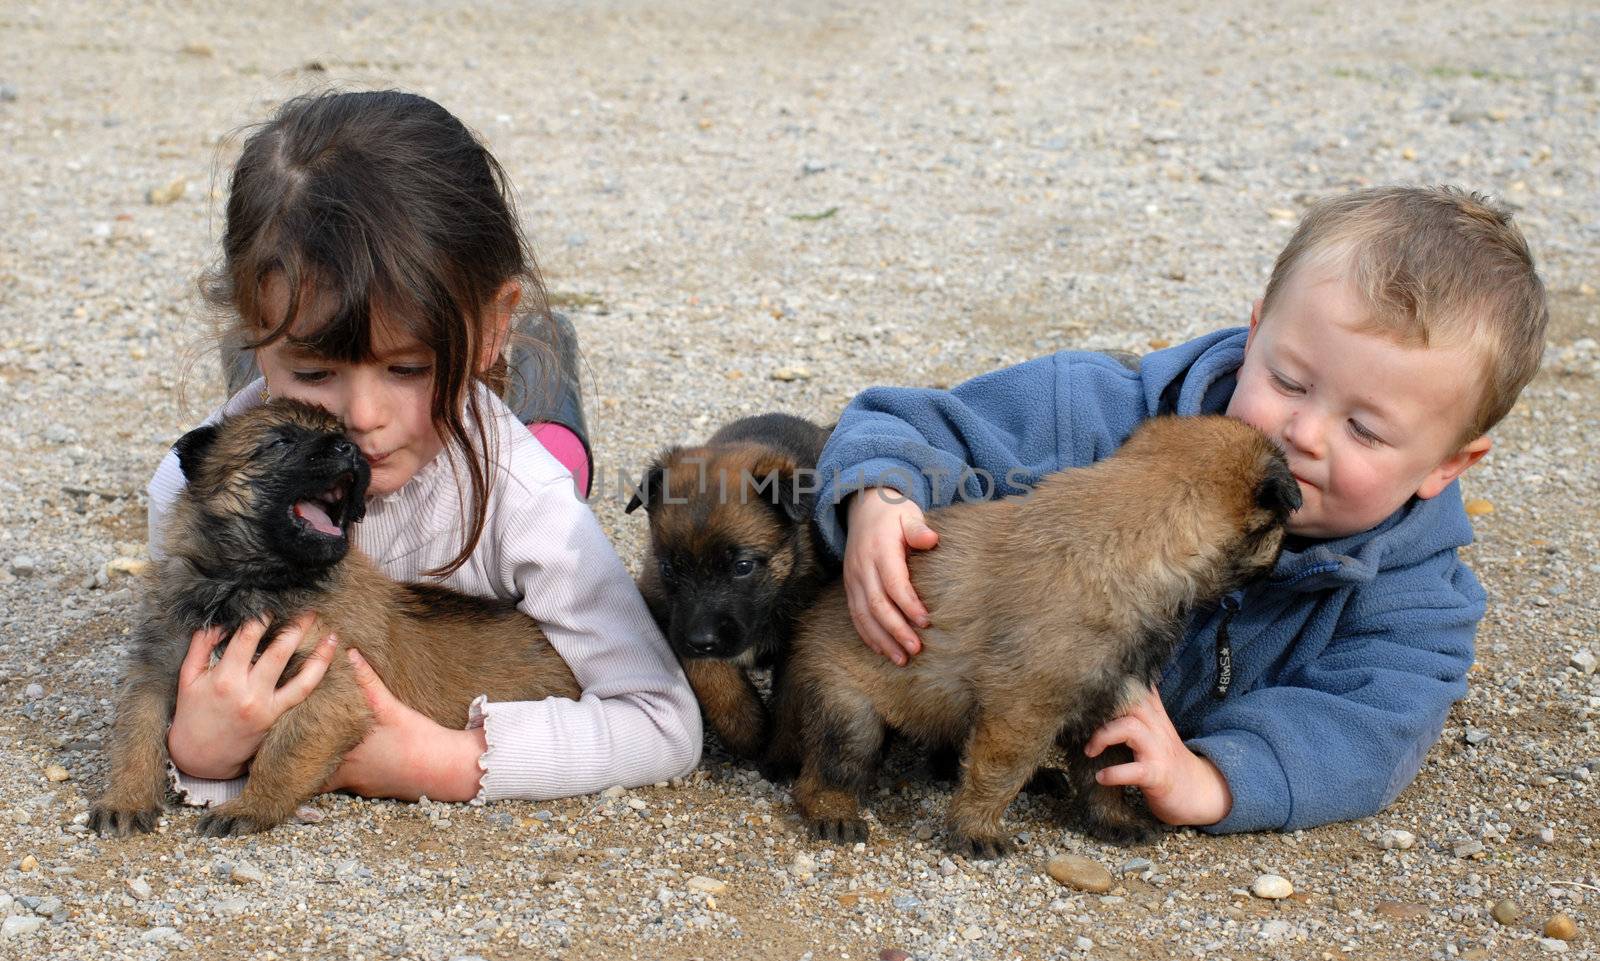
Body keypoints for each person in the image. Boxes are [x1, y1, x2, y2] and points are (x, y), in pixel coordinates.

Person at [815, 186, 1547, 833]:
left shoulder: (1418, 600)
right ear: (1255, 332)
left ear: (1449, 463)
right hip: (947, 693)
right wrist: (881, 492)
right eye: (1289, 381)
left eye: (1365, 429)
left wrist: (1217, 777)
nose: (1304, 434)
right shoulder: (1092, 412)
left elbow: (1374, 727)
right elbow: (912, 419)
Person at [148, 89, 701, 806]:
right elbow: (174, 675)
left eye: (406, 367)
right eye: (313, 370)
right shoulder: (193, 488)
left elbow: (663, 722)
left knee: (551, 461)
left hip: (501, 459)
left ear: (492, 324)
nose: (361, 417)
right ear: (255, 327)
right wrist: (193, 747)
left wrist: (446, 760)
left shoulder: (529, 502)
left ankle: (543, 388)